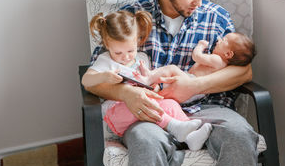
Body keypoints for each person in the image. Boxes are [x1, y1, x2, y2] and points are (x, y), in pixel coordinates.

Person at [86, 0, 259, 166]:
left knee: (240, 135)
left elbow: (244, 71)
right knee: (147, 143)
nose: (199, 2)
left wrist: (194, 86)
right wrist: (126, 93)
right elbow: (95, 77)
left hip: (207, 107)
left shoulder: (217, 17)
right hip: (150, 113)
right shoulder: (131, 17)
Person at [81, 10, 212, 151]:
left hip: (143, 106)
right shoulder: (105, 60)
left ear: (138, 40)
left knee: (170, 103)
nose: (125, 57)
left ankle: (190, 137)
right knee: (148, 104)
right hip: (117, 112)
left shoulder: (142, 59)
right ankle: (176, 127)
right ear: (107, 45)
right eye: (118, 53)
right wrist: (103, 76)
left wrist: (153, 87)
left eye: (131, 51)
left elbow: (149, 83)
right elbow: (86, 80)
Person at [135, 32, 256, 103]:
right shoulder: (222, 63)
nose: (218, 39)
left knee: (171, 69)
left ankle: (149, 77)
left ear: (228, 54)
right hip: (193, 93)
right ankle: (150, 82)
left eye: (223, 40)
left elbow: (196, 56)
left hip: (190, 81)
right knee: (161, 90)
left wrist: (200, 45)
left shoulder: (217, 60)